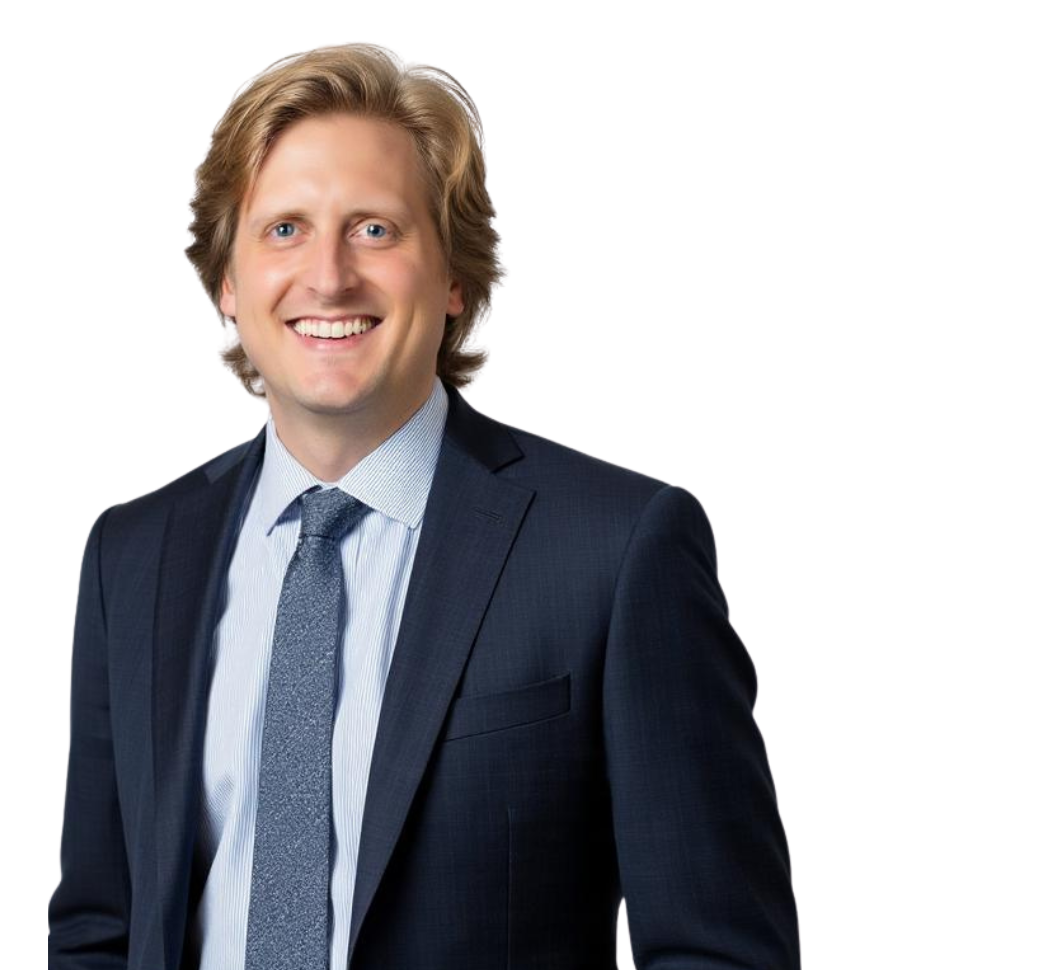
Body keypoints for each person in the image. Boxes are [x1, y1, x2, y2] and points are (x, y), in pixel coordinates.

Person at [48, 41, 800, 970]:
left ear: (453, 277)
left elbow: (718, 950)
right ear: (229, 285)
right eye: (283, 229)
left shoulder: (618, 546)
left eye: (375, 229)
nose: (328, 277)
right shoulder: (133, 552)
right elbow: (96, 926)